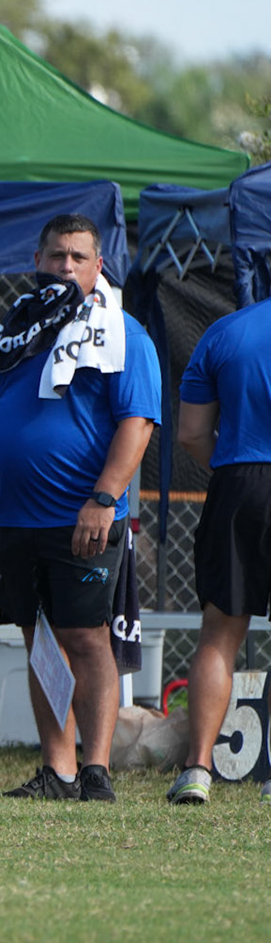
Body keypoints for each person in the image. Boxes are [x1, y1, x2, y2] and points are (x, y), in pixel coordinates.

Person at [0, 214, 160, 803]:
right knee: (38, 638)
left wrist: (103, 499)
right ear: (36, 262)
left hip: (84, 515)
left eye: (78, 257)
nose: (66, 266)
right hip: (17, 516)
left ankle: (96, 770)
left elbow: (137, 424)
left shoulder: (122, 333)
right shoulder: (16, 332)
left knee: (85, 637)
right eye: (57, 256)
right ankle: (58, 772)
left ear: (98, 266)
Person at [168, 289, 271, 805]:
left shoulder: (225, 332)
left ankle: (198, 769)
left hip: (237, 483)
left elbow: (191, 433)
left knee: (219, 635)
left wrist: (235, 470)